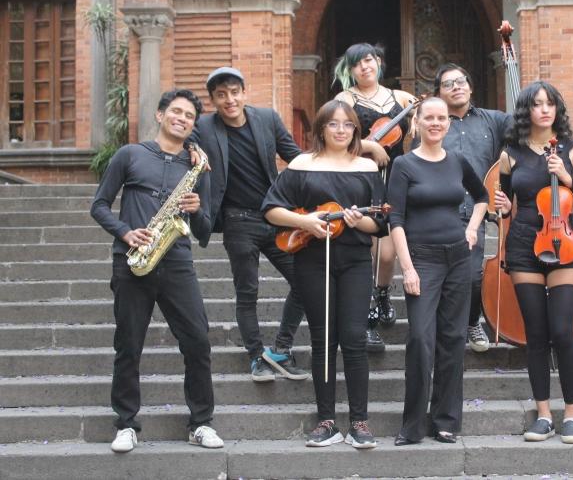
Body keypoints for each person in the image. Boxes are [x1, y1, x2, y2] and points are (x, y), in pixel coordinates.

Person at [90, 89, 224, 453]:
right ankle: (126, 424)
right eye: (176, 112)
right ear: (160, 115)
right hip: (133, 259)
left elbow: (205, 231)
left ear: (193, 126)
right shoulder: (129, 154)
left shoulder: (197, 167)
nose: (182, 119)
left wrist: (197, 210)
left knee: (198, 341)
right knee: (128, 345)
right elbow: (98, 206)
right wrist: (125, 232)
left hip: (177, 260)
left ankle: (201, 423)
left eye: (189, 116)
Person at [264, 100, 387, 449]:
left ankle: (359, 422)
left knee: (354, 338)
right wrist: (305, 221)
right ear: (321, 128)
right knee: (323, 339)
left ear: (355, 130)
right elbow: (271, 210)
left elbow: (380, 223)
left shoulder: (366, 167)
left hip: (355, 261)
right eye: (333, 124)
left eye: (348, 125)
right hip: (313, 260)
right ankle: (326, 421)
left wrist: (357, 221)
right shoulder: (302, 164)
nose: (341, 130)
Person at [493, 81, 573, 444]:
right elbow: (504, 205)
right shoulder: (510, 153)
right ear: (526, 111)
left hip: (565, 242)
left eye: (550, 103)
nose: (544, 110)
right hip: (524, 244)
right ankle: (543, 414)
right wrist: (501, 208)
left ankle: (572, 414)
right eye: (537, 104)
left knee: (563, 332)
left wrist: (566, 176)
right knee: (535, 334)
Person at [190, 67, 308, 382]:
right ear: (213, 100)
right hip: (237, 221)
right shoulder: (203, 127)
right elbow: (180, 139)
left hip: (276, 216)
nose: (229, 100)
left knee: (304, 281)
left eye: (234, 92)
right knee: (247, 292)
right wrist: (191, 149)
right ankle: (256, 356)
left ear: (244, 92)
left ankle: (280, 349)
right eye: (221, 95)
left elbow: (296, 158)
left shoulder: (267, 118)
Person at [388, 97, 488, 446]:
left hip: (458, 258)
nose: (435, 123)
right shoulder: (403, 164)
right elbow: (395, 219)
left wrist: (472, 228)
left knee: (454, 339)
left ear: (448, 123)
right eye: (429, 117)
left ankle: (445, 420)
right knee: (420, 339)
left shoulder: (458, 161)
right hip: (422, 260)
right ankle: (413, 425)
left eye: (441, 118)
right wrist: (407, 268)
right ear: (416, 122)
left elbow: (482, 197)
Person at [334, 43, 416, 351]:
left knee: (387, 253)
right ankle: (368, 305)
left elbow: (428, 121)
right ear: (351, 70)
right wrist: (371, 146)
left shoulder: (402, 98)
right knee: (370, 247)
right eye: (357, 64)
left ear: (378, 62)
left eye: (368, 60)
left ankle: (382, 292)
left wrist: (417, 124)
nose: (364, 67)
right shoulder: (345, 99)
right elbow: (336, 136)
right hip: (362, 176)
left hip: (397, 175)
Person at [434, 63, 512, 352]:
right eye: (448, 83)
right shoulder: (434, 123)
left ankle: (470, 321)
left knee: (472, 275)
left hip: (478, 210)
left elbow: (526, 136)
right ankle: (444, 329)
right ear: (438, 93)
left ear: (470, 86)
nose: (456, 86)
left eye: (461, 81)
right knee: (440, 274)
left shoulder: (495, 120)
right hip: (440, 209)